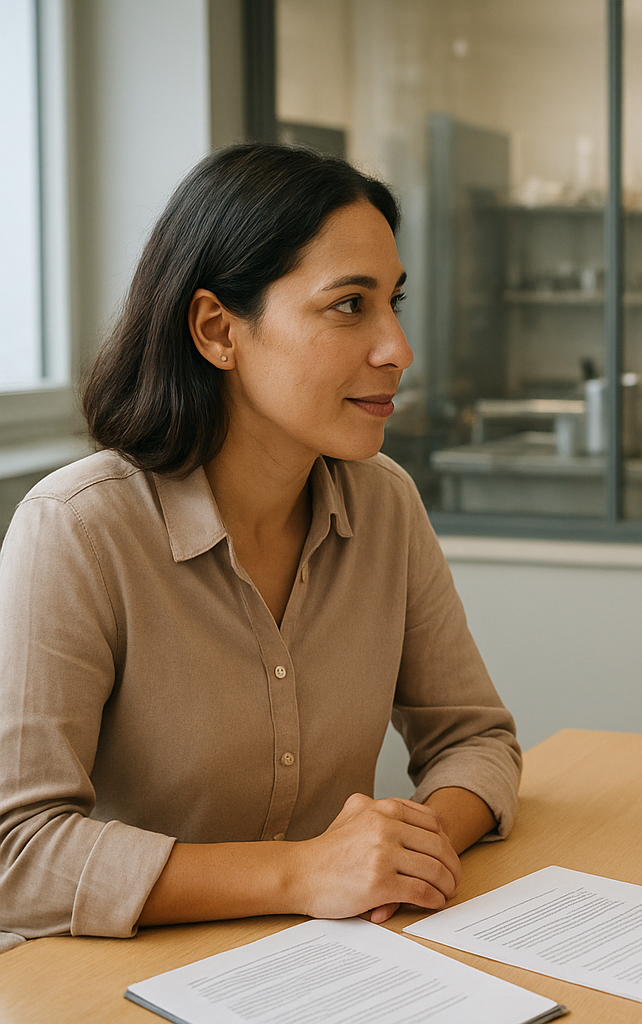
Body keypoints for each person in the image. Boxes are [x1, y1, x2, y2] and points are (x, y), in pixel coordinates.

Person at [0, 145, 521, 950]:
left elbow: (475, 741)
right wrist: (303, 873)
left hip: (334, 966)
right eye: (349, 305)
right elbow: (18, 852)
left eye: (394, 302)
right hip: (115, 985)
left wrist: (407, 849)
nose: (397, 349)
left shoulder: (384, 503)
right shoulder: (76, 529)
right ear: (218, 331)